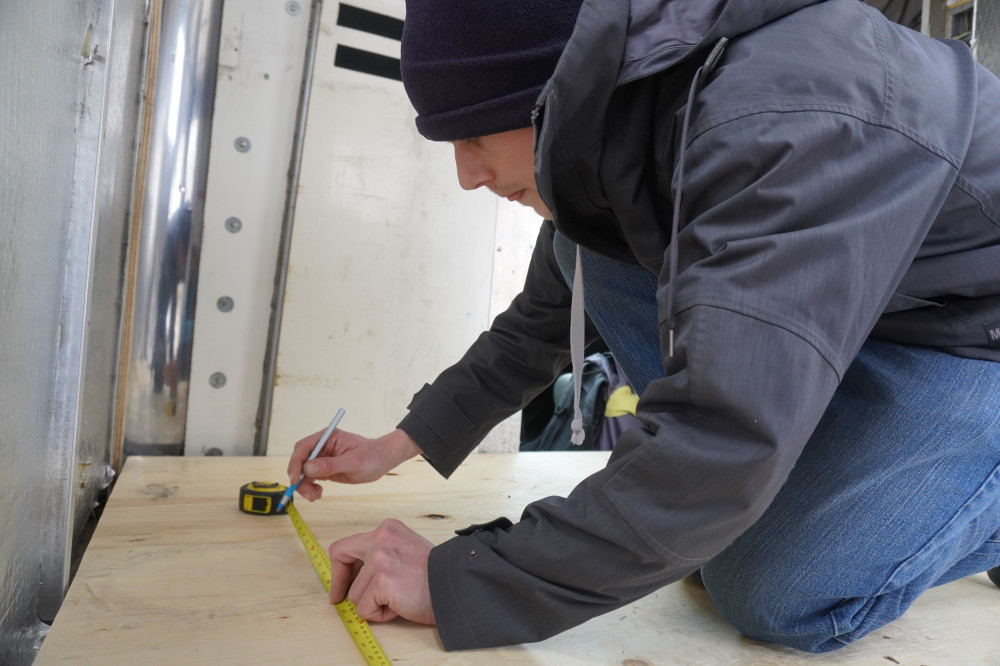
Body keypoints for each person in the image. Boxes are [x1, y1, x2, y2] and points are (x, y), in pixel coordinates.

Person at [286, 0, 1000, 653]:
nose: (466, 176)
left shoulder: (784, 121)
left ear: (556, 95)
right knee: (585, 245)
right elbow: (546, 311)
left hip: (975, 335)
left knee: (776, 592)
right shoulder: (633, 113)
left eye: (473, 135)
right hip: (884, 311)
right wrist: (398, 444)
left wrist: (469, 580)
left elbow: (725, 434)